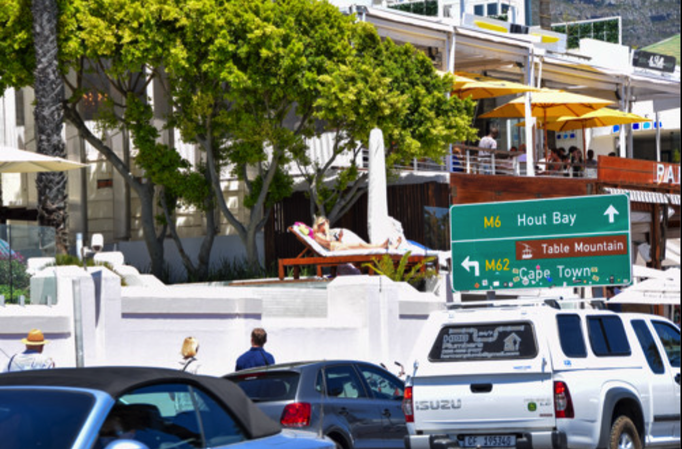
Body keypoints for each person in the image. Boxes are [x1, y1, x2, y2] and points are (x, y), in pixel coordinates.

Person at [312, 216, 399, 251]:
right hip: (336, 249)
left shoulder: (324, 234)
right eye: (324, 223)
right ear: (319, 226)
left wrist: (340, 237)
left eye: (327, 222)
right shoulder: (317, 235)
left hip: (339, 246)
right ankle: (382, 246)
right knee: (360, 245)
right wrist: (327, 231)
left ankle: (390, 247)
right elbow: (327, 242)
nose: (326, 224)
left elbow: (332, 242)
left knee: (361, 246)